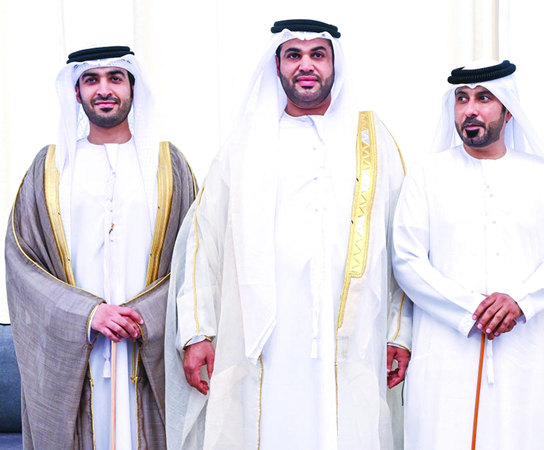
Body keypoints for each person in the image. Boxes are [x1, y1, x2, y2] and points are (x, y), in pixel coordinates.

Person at [164, 19, 411, 449]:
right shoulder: (245, 143)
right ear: (277, 64)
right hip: (264, 340)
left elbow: (400, 243)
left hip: (353, 337)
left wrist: (398, 333)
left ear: (334, 63)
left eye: (318, 54)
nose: (306, 66)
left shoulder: (371, 142)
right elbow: (204, 243)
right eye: (293, 55)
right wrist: (197, 331)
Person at [5, 45, 196, 449]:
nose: (104, 90)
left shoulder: (169, 166)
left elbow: (195, 260)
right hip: (80, 348)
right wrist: (88, 314)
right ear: (76, 92)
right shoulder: (49, 169)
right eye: (91, 80)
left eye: (115, 78)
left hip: (150, 343)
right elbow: (23, 263)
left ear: (133, 88)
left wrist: (143, 315)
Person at [392, 60, 544, 449]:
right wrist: (470, 308)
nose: (470, 109)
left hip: (521, 350)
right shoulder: (426, 176)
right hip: (445, 348)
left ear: (508, 110)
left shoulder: (542, 178)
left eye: (484, 98)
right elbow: (407, 260)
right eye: (462, 99)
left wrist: (519, 301)